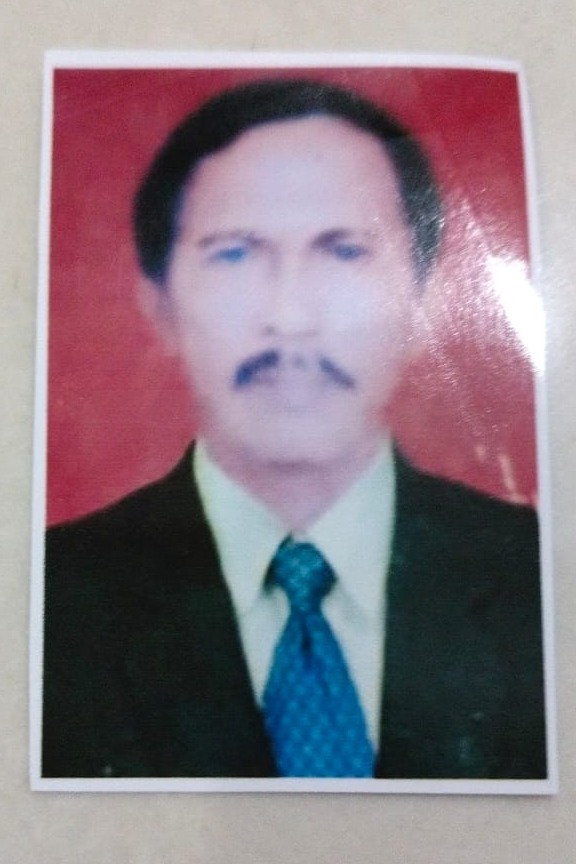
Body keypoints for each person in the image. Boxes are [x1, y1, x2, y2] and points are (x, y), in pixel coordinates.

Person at [42, 78, 546, 780]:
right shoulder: (48, 598)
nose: (291, 318)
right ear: (158, 304)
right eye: (235, 253)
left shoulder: (542, 575)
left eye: (345, 251)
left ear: (425, 298)